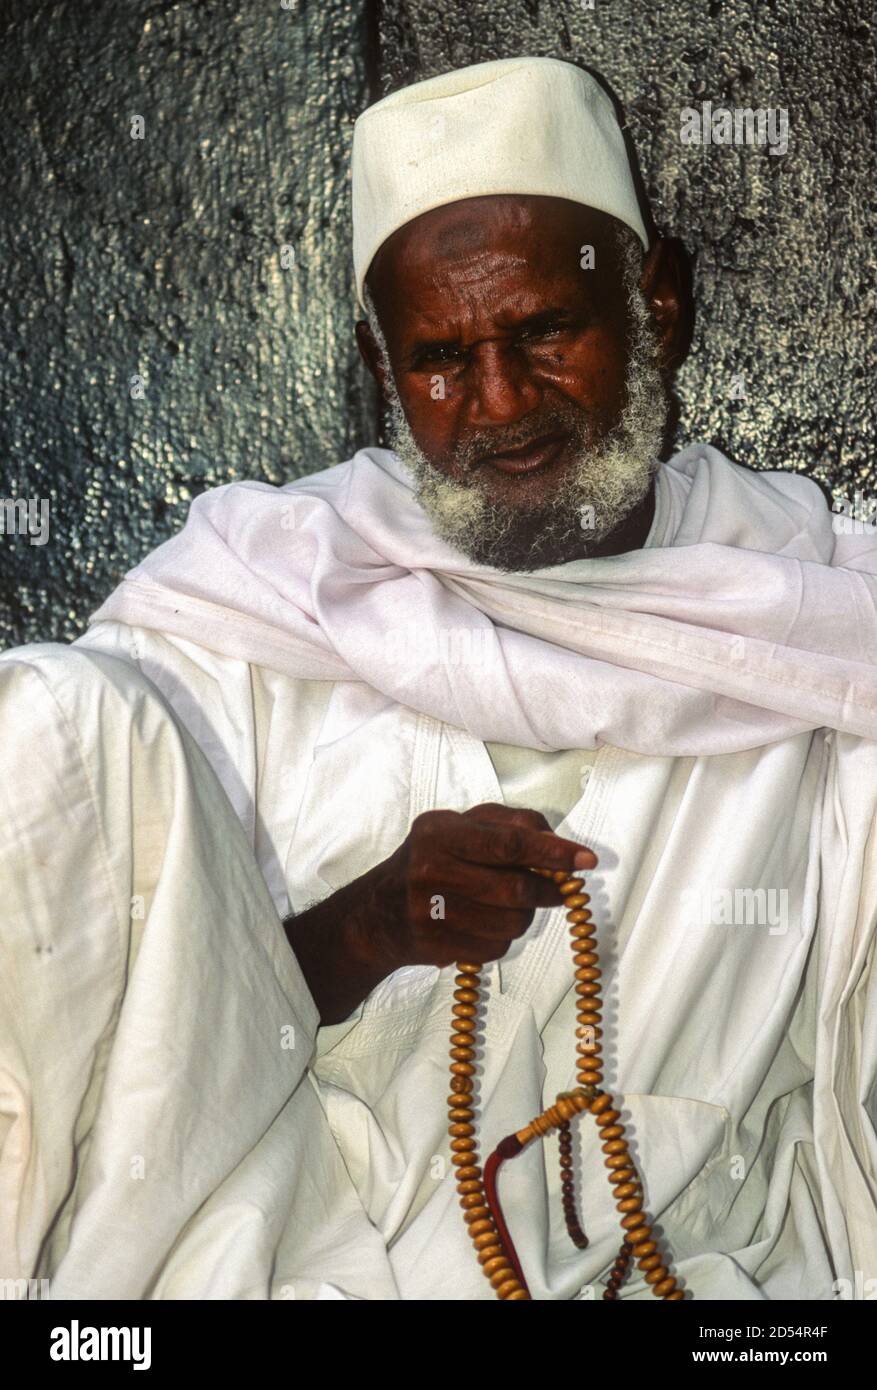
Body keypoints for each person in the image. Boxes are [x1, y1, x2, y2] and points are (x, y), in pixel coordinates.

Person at [2, 54, 877, 1301]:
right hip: (292, 1257)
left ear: (658, 308)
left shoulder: (826, 625)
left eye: (544, 332)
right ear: (379, 362)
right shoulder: (259, 596)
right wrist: (358, 933)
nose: (500, 405)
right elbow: (123, 1023)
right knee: (51, 720)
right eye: (439, 359)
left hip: (690, 1280)